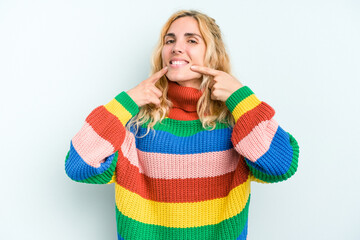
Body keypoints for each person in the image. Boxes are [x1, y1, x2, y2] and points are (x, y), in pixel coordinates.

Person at [65, 9, 299, 240]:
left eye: (192, 40)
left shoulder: (239, 125)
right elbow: (78, 165)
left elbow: (281, 165)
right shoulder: (135, 127)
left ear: (212, 54)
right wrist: (127, 101)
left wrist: (239, 96)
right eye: (170, 40)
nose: (176, 47)